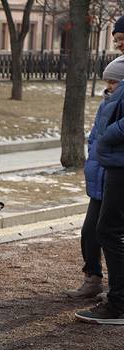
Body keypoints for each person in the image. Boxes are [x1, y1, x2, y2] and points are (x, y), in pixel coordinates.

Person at [75, 18, 124, 324]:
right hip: (107, 170)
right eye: (117, 37)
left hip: (117, 167)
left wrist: (109, 135)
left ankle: (118, 302)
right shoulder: (112, 93)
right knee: (96, 229)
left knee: (108, 230)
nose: (118, 41)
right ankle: (99, 282)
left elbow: (111, 130)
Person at [67, 57, 124, 299]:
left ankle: (117, 289)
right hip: (100, 178)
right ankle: (93, 277)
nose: (108, 86)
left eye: (113, 82)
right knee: (90, 231)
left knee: (108, 232)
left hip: (115, 177)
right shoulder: (106, 104)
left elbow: (109, 135)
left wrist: (107, 137)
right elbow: (95, 136)